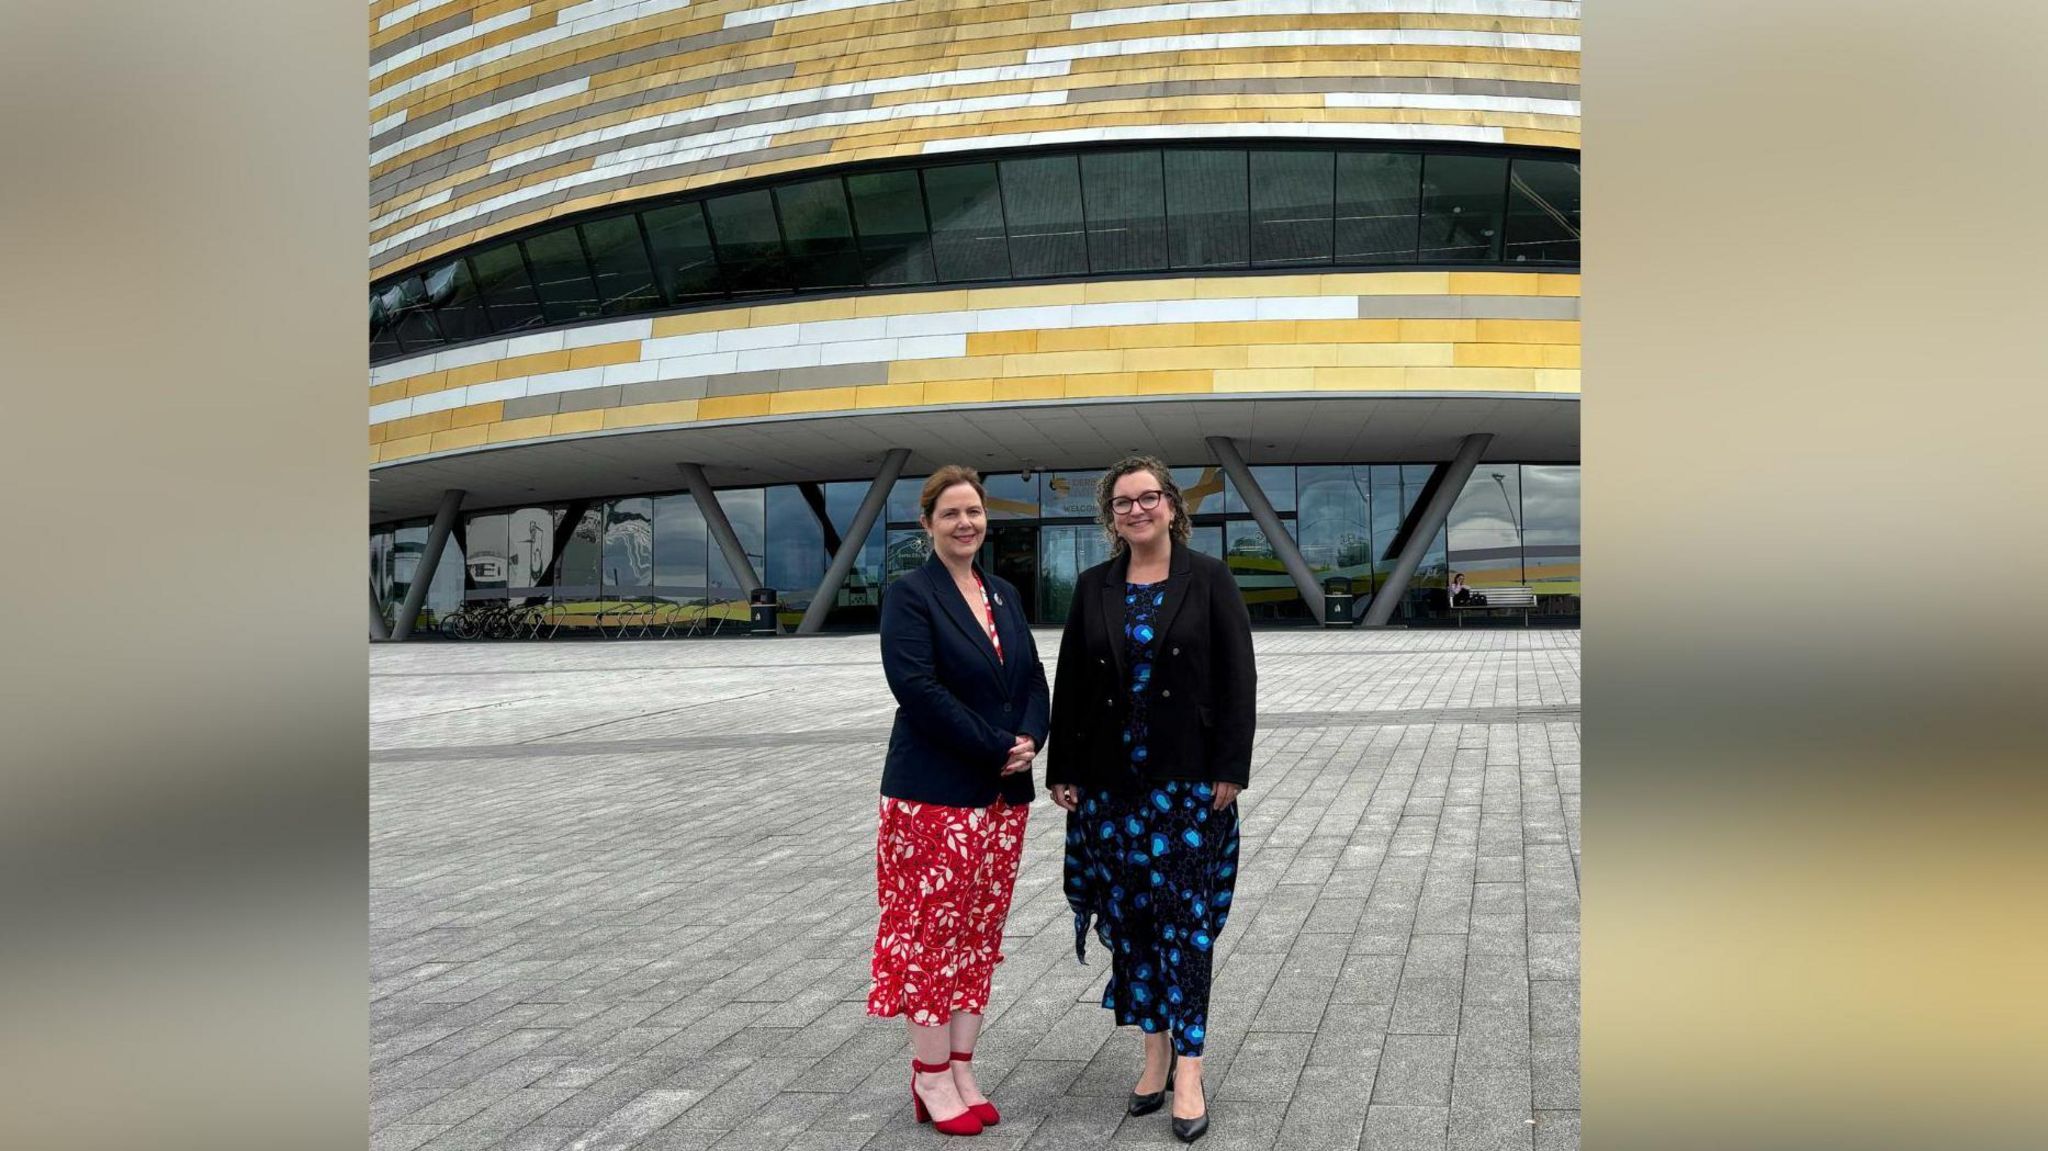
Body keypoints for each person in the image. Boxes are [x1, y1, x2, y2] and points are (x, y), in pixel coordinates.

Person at [1046, 456, 1256, 1144]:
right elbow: (1071, 682)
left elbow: (1237, 679)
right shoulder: (1092, 586)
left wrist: (1229, 767)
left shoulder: (1210, 579)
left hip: (1186, 788)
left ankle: (1190, 1069)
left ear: (1170, 505)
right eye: (1123, 502)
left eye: (1148, 497)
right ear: (1111, 516)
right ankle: (1154, 1051)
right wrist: (1063, 769)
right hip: (1111, 792)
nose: (1136, 510)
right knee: (1134, 923)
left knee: (1186, 926)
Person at [868, 465, 1050, 1137]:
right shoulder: (910, 595)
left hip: (1001, 798)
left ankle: (961, 1065)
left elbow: (1031, 673)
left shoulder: (1002, 592)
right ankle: (929, 1074)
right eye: (951, 513)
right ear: (928, 524)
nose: (965, 522)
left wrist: (1031, 734)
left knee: (978, 935)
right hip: (933, 799)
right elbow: (915, 687)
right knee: (929, 937)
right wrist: (995, 743)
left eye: (973, 511)